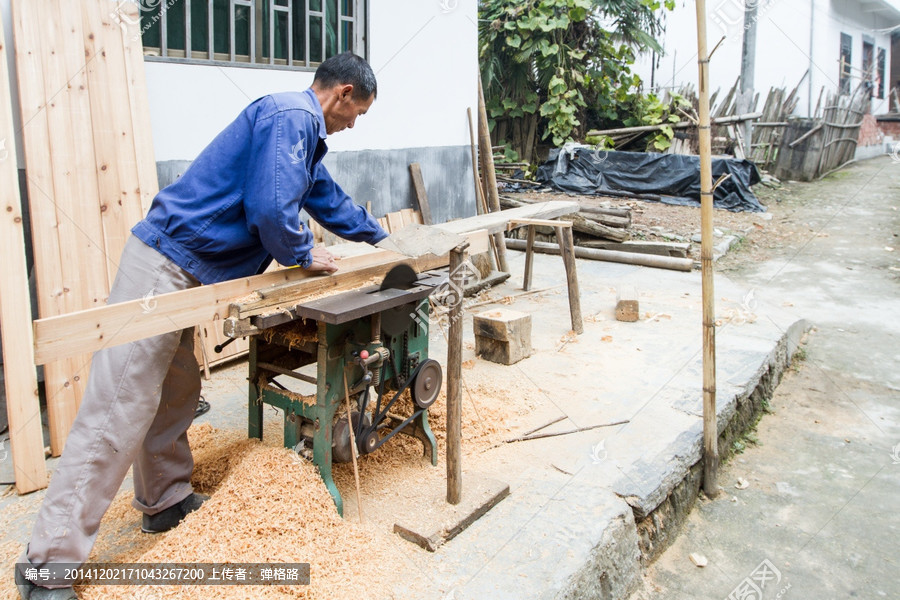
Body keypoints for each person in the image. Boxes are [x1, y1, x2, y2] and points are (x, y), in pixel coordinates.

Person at [16, 52, 388, 600]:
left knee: (175, 391)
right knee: (118, 406)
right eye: (357, 113)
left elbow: (323, 197)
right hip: (164, 266)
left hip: (188, 273)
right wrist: (303, 250)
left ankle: (164, 502)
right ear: (345, 92)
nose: (353, 124)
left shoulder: (299, 137)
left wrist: (379, 238)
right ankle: (46, 564)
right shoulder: (294, 116)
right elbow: (270, 210)